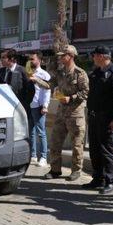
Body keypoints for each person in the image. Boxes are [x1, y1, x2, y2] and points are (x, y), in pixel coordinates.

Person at [31, 45, 89, 181]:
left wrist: (71, 98)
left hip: (75, 113)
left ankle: (76, 171)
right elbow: (50, 85)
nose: (61, 58)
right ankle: (55, 170)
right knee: (55, 141)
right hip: (61, 113)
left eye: (63, 55)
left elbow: (85, 92)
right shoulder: (61, 72)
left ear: (70, 56)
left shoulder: (80, 73)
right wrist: (37, 80)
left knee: (77, 144)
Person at [83, 46, 113, 195]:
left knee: (107, 150)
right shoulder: (96, 73)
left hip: (107, 117)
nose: (93, 58)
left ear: (101, 56)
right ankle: (98, 178)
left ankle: (111, 181)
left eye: (94, 55)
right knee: (94, 149)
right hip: (94, 116)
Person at [27, 52, 51, 167]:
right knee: (30, 131)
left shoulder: (44, 74)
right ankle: (33, 155)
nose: (31, 61)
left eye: (33, 59)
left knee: (41, 132)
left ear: (39, 61)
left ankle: (44, 157)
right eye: (29, 59)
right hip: (29, 105)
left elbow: (47, 91)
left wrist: (45, 106)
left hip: (38, 106)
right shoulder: (28, 72)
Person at [0, 49, 35, 114]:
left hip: (19, 108)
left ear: (12, 58)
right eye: (1, 57)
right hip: (3, 106)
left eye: (3, 57)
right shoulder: (0, 71)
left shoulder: (23, 71)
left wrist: (24, 105)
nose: (1, 59)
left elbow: (31, 90)